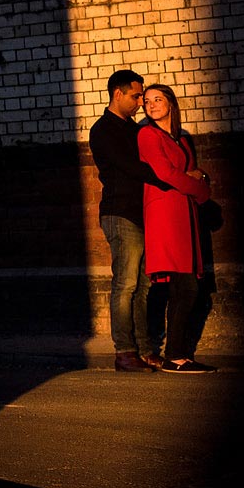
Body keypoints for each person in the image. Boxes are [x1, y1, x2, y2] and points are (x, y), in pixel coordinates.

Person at [137, 83, 216, 373]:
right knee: (186, 285)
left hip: (185, 211)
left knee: (188, 285)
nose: (152, 104)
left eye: (158, 99)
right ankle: (175, 355)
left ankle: (177, 354)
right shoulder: (146, 134)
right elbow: (165, 173)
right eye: (147, 101)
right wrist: (200, 191)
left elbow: (194, 170)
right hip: (165, 212)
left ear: (171, 103)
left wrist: (197, 179)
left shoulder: (181, 138)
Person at [89, 70, 158, 372]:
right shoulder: (103, 130)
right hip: (120, 213)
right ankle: (125, 352)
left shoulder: (134, 129)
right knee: (126, 284)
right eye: (136, 96)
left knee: (143, 286)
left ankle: (144, 349)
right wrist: (169, 177)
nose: (141, 102)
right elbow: (131, 167)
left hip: (142, 212)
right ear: (117, 94)